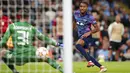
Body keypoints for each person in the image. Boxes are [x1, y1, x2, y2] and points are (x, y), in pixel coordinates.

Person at [0, 9, 63, 73]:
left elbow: (3, 42)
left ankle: (15, 71)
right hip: (31, 54)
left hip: (17, 56)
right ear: (28, 17)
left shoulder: (12, 26)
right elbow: (44, 38)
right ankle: (64, 71)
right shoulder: (31, 28)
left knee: (2, 52)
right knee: (47, 58)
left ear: (19, 16)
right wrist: (57, 44)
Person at [73, 1, 107, 73]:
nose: (82, 8)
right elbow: (74, 22)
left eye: (84, 7)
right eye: (81, 6)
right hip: (80, 36)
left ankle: (89, 62)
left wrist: (89, 32)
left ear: (87, 8)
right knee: (87, 55)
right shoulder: (75, 13)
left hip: (87, 37)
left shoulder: (90, 17)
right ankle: (101, 67)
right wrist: (73, 29)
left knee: (77, 45)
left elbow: (97, 28)